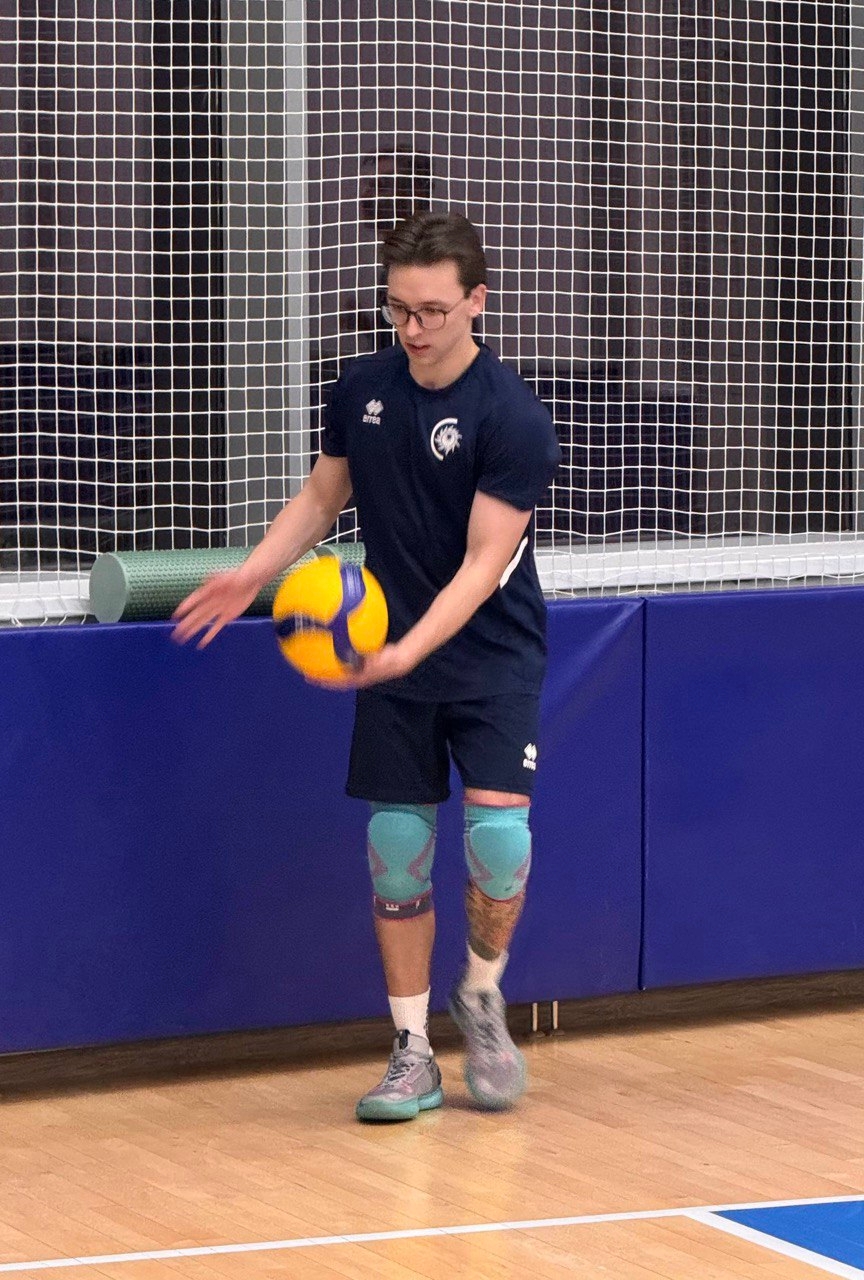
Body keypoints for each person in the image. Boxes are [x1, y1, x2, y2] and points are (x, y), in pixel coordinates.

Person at [172, 210, 561, 1121]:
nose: (412, 329)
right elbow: (322, 496)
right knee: (396, 852)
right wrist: (254, 575)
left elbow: (483, 565)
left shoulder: (512, 417)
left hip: (491, 657)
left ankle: (481, 994)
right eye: (398, 310)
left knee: (498, 843)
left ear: (477, 301)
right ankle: (412, 1051)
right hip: (387, 658)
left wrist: (406, 652)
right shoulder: (361, 389)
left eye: (431, 311)